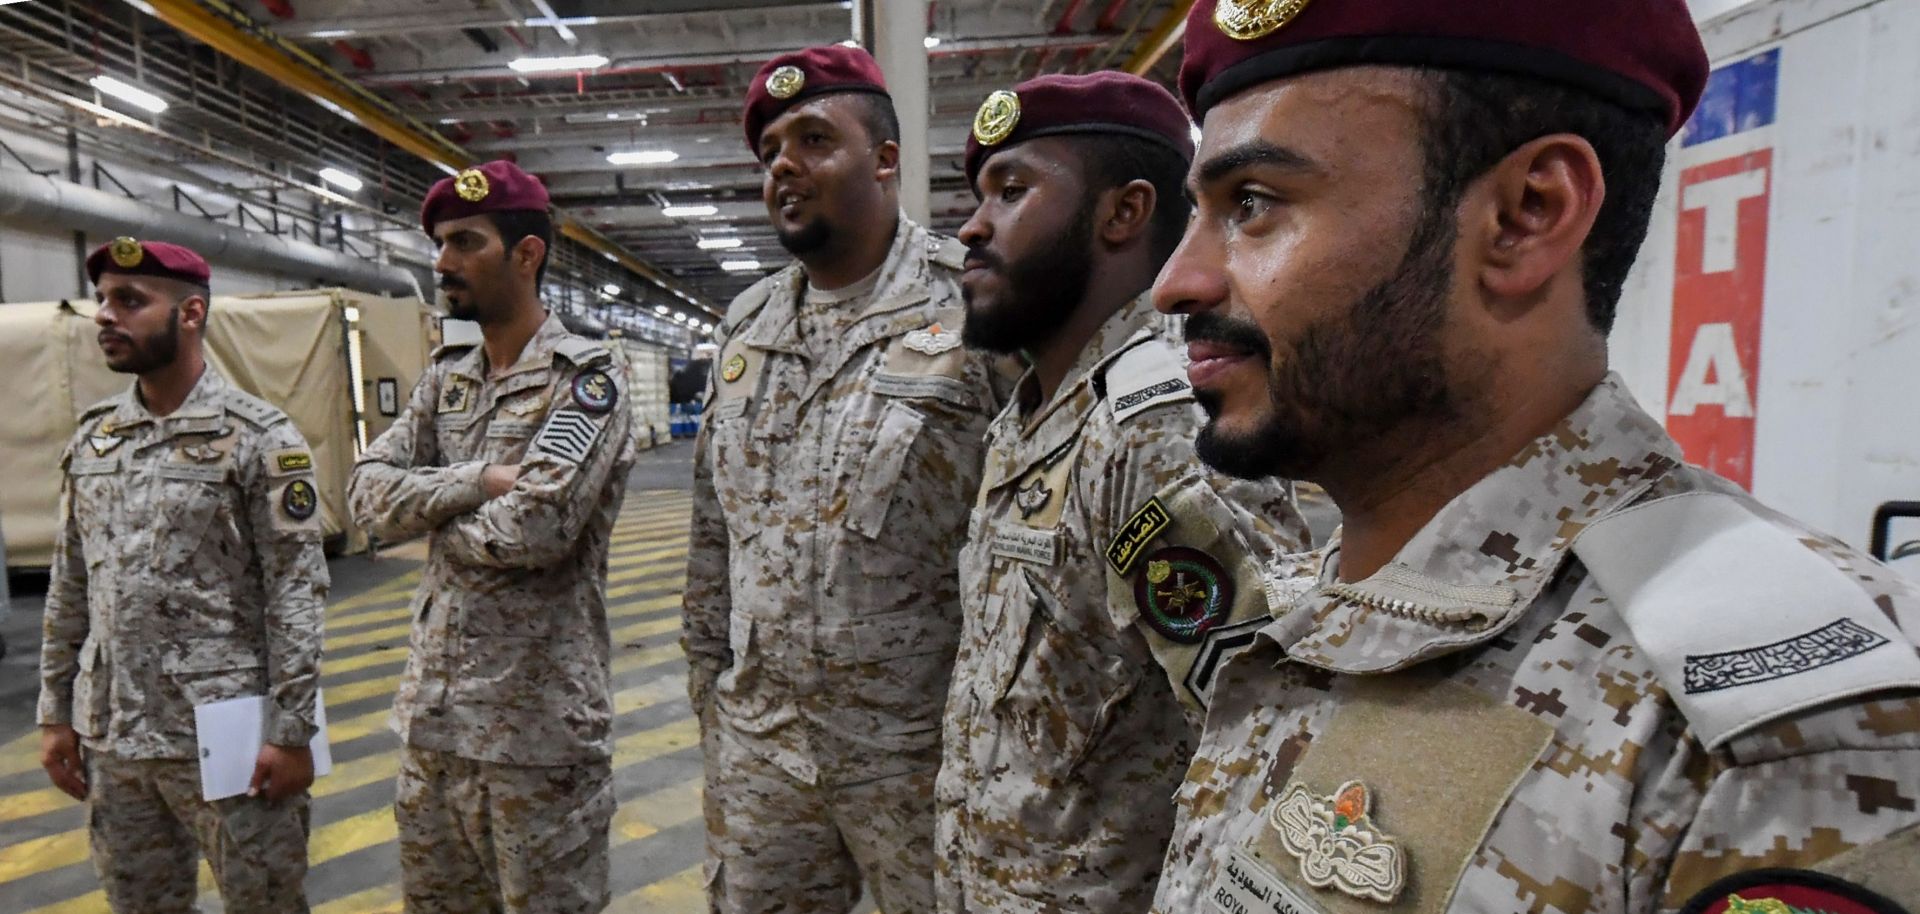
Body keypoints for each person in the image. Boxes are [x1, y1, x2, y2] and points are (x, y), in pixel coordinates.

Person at [1148, 2, 1920, 912]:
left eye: (1253, 205)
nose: (1178, 281)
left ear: (1527, 216)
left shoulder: (1769, 736)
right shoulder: (1340, 597)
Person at [935, 71, 1311, 913]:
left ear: (1123, 213)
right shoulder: (1033, 415)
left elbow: (1268, 740)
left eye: (1012, 190)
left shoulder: (1157, 422)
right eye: (980, 195)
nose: (971, 225)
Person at [682, 44, 1005, 914]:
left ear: (887, 159)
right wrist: (708, 689)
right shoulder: (748, 326)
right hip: (761, 747)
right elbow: (715, 527)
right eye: (771, 151)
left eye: (815, 139)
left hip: (921, 745)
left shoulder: (975, 306)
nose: (784, 164)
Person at [347, 159, 635, 914]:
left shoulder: (586, 381)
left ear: (527, 255)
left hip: (536, 740)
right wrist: (474, 481)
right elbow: (363, 496)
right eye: (441, 243)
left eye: (465, 242)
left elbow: (534, 529)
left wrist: (428, 521)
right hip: (432, 729)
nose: (442, 263)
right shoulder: (448, 378)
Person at [38, 238, 327, 913]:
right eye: (103, 301)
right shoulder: (95, 440)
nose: (107, 316)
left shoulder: (258, 438)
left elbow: (297, 593)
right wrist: (57, 712)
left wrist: (292, 730)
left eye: (131, 302)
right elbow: (71, 584)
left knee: (265, 902)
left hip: (230, 736)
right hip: (117, 738)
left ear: (191, 312)